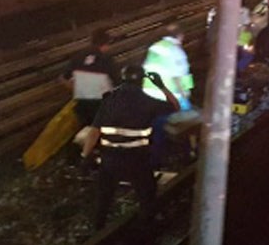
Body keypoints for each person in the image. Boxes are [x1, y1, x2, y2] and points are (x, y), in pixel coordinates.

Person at [83, 65, 179, 230]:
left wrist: (85, 156)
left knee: (103, 200)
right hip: (137, 162)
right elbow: (175, 106)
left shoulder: (109, 100)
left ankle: (97, 234)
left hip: (109, 161)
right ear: (142, 81)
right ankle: (145, 234)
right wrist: (161, 86)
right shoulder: (148, 102)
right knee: (147, 197)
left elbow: (94, 131)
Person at [142, 25, 195, 166]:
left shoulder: (155, 47)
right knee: (186, 124)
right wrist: (185, 96)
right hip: (167, 95)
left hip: (149, 93)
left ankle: (155, 159)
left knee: (157, 127)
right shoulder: (177, 51)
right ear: (180, 36)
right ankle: (186, 155)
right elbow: (180, 77)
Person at [62, 28, 121, 132]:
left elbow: (63, 78)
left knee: (87, 131)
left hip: (82, 105)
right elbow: (118, 82)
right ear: (106, 43)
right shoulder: (106, 59)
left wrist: (77, 89)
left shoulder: (78, 56)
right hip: (100, 106)